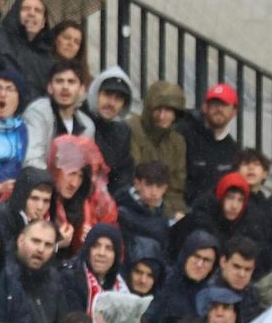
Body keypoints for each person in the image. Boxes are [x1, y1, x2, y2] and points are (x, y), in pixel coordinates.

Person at [145, 229, 220, 323]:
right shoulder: (161, 283)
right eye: (196, 256)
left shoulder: (213, 299)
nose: (200, 264)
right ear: (186, 255)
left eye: (206, 260)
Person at [126, 79, 189, 219]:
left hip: (166, 207)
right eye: (158, 110)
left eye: (168, 111)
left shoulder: (177, 142)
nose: (162, 116)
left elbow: (176, 187)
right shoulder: (132, 130)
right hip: (135, 205)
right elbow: (133, 176)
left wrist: (178, 213)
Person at [179, 83, 242, 208]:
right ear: (204, 107)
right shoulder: (183, 135)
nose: (219, 109)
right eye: (214, 104)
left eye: (224, 105)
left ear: (234, 111)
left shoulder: (233, 149)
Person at [22, 60, 93, 171]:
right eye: (59, 81)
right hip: (41, 184)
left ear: (81, 90)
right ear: (50, 87)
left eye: (71, 82)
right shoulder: (38, 113)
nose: (65, 87)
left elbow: (86, 166)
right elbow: (31, 160)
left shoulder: (87, 125)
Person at [85, 67, 136, 195]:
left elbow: (122, 177)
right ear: (96, 94)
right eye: (107, 95)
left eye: (118, 99)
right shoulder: (80, 121)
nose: (111, 103)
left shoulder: (122, 132)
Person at [115, 160, 171, 262]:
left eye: (159, 187)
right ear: (137, 184)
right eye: (149, 185)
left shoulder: (163, 211)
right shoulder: (121, 206)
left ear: (165, 188)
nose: (154, 192)